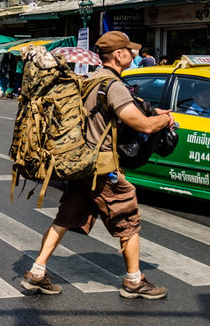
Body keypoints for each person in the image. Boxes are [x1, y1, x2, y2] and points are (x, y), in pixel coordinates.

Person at [21, 31, 175, 299]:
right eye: (129, 51)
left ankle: (36, 272)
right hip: (102, 167)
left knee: (65, 219)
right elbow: (143, 125)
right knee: (127, 217)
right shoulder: (112, 86)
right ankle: (134, 281)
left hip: (80, 163)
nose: (134, 54)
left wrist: (151, 112)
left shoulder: (90, 80)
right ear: (118, 55)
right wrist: (164, 121)